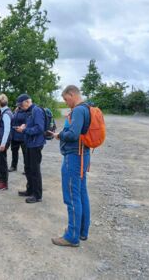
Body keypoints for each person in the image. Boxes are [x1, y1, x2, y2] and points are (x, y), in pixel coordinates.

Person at [51, 85, 91, 247]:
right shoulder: (87, 108)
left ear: (72, 94)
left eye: (66, 99)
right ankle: (81, 231)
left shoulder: (79, 110)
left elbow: (73, 134)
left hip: (74, 157)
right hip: (82, 155)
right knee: (81, 193)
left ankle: (72, 236)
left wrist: (59, 135)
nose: (66, 103)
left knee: (72, 196)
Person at [15, 94, 46, 203]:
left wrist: (24, 130)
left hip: (36, 144)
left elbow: (39, 128)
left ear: (27, 102)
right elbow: (32, 125)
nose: (20, 107)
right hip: (29, 143)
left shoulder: (36, 111)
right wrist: (25, 126)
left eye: (21, 105)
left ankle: (37, 195)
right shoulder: (29, 111)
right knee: (28, 168)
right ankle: (30, 190)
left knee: (35, 170)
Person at [9, 105, 27, 173]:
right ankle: (13, 166)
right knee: (14, 152)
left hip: (23, 136)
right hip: (14, 136)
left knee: (25, 153)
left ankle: (26, 169)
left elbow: (27, 123)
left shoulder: (27, 112)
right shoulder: (16, 111)